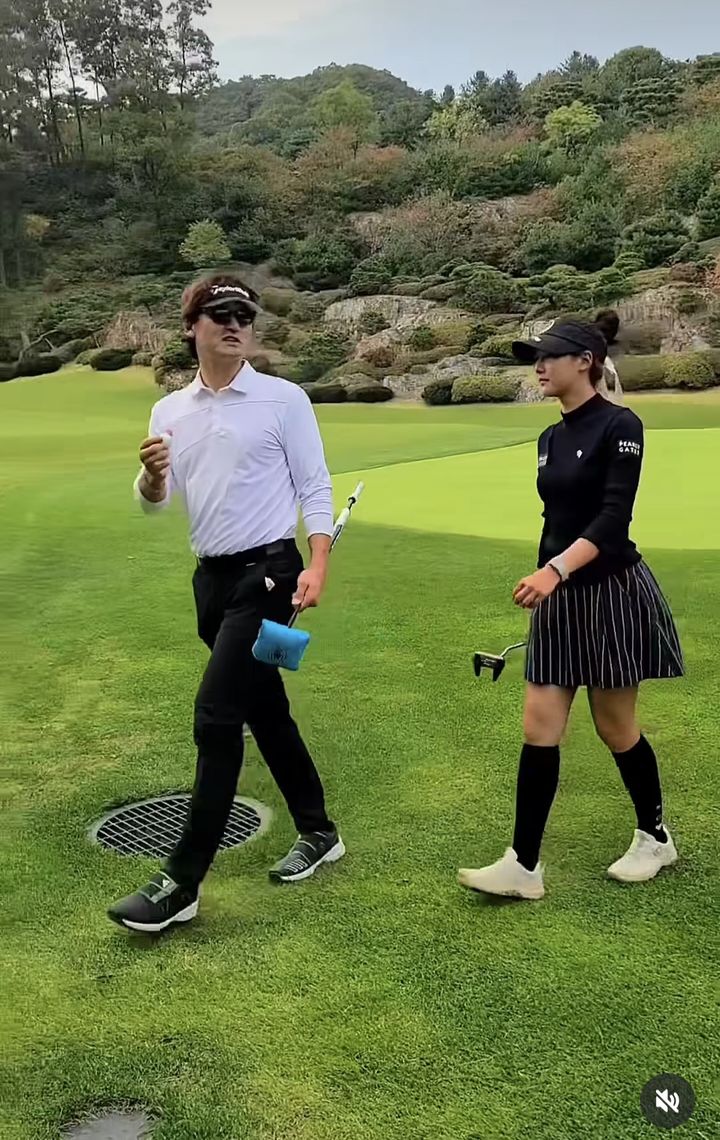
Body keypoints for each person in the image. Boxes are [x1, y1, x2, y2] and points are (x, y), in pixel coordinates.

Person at [109, 273, 344, 933]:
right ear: (193, 327)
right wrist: (152, 476)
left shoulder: (282, 399)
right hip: (211, 584)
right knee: (264, 708)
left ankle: (180, 883)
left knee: (217, 717)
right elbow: (158, 502)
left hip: (270, 577)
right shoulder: (170, 412)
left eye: (243, 314)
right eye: (220, 315)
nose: (234, 324)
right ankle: (319, 831)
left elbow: (315, 484)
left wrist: (319, 562)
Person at [458, 319, 683, 901]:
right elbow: (553, 521)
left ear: (584, 361)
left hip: (610, 591)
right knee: (539, 727)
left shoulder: (621, 425)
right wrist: (546, 577)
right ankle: (523, 865)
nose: (537, 366)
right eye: (533, 357)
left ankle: (655, 836)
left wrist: (554, 570)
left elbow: (612, 522)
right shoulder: (548, 438)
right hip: (560, 597)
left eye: (547, 356)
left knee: (615, 727)